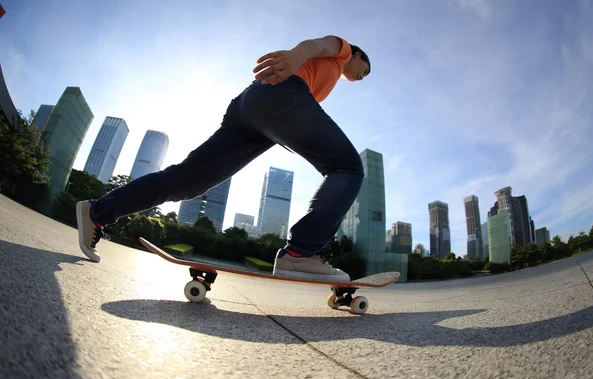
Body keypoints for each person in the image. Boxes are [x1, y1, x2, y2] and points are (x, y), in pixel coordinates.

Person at [76, 35, 371, 282]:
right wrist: (297, 55)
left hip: (252, 109)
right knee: (347, 167)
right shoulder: (342, 52)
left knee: (189, 180)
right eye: (364, 69)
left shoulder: (325, 80)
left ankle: (98, 212)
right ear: (356, 55)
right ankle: (301, 254)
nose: (361, 77)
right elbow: (319, 44)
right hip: (280, 95)